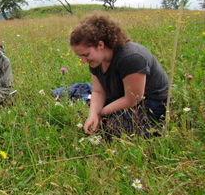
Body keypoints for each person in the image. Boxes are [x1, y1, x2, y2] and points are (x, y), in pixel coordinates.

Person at [70, 12, 169, 140]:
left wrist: (101, 113)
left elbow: (133, 99)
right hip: (120, 96)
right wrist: (93, 115)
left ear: (100, 45)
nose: (83, 60)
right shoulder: (96, 61)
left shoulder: (131, 57)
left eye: (86, 54)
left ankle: (160, 127)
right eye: (80, 56)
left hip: (151, 101)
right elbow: (99, 91)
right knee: (89, 116)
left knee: (112, 130)